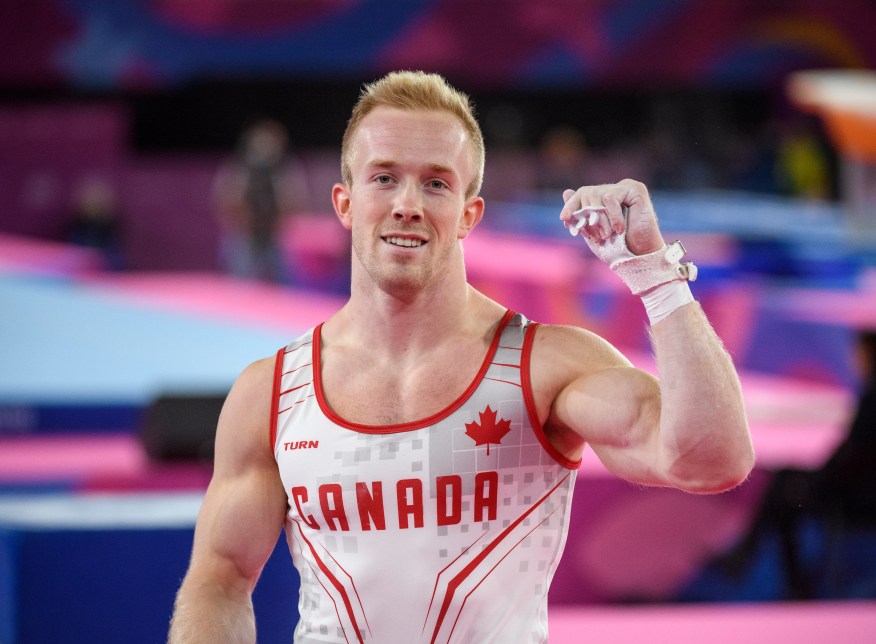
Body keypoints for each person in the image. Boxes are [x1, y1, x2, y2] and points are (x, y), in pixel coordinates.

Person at [168, 71, 754, 643]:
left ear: (470, 215)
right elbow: (219, 581)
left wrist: (657, 278)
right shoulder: (272, 394)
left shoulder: (543, 369)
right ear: (344, 204)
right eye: (384, 178)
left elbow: (710, 459)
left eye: (436, 184)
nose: (407, 204)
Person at [712, 329, 876, 599]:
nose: (854, 359)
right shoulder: (869, 396)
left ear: (868, 354)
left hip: (855, 495)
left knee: (785, 495)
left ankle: (776, 570)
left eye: (857, 353)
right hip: (850, 485)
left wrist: (820, 480)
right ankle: (771, 566)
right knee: (784, 479)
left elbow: (854, 457)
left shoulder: (872, 400)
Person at [212, 118, 308, 283]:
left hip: (274, 234)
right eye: (260, 143)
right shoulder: (239, 169)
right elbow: (223, 200)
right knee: (239, 284)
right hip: (245, 234)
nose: (265, 148)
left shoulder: (284, 171)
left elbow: (297, 202)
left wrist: (283, 219)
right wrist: (238, 221)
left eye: (271, 143)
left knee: (283, 283)